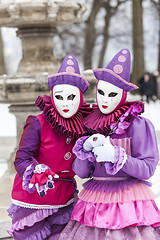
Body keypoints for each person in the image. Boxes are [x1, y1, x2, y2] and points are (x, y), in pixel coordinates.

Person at [59, 49, 160, 240]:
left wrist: (117, 156)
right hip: (94, 202)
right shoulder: (91, 123)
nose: (105, 99)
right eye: (101, 92)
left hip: (128, 203)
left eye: (111, 94)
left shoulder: (138, 125)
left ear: (122, 94)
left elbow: (147, 169)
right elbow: (81, 173)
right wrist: (85, 149)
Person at [7, 55, 91, 240]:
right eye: (60, 97)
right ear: (52, 96)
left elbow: (83, 167)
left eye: (71, 97)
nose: (66, 103)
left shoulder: (83, 127)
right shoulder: (37, 123)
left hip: (64, 199)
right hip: (34, 198)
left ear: (80, 98)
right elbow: (21, 159)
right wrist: (35, 170)